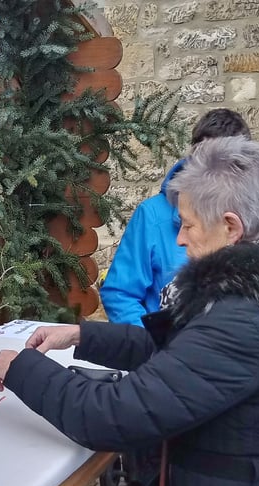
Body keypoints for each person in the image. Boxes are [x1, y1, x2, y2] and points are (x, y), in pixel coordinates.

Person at [0, 137, 259, 486]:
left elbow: (111, 416)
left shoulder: (241, 321)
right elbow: (180, 357)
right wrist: (82, 336)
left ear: (231, 226)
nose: (180, 239)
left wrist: (21, 369)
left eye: (186, 224)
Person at [99, 108, 250, 326]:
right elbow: (120, 294)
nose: (214, 175)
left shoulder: (255, 220)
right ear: (193, 158)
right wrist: (154, 343)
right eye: (207, 162)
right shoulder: (152, 214)